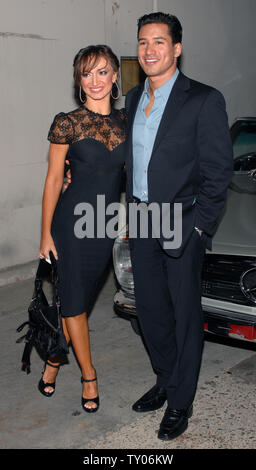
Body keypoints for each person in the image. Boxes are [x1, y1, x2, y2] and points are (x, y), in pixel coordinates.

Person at [124, 12, 233, 440]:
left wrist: (201, 229)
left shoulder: (203, 99)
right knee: (150, 311)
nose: (149, 51)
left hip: (182, 223)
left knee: (185, 316)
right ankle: (166, 380)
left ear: (176, 49)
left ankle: (182, 401)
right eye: (142, 42)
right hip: (141, 219)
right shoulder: (133, 99)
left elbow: (218, 170)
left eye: (158, 42)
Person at [39, 45, 126, 413]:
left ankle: (54, 360)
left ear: (115, 76)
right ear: (79, 79)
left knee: (77, 299)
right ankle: (88, 375)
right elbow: (54, 179)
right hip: (71, 225)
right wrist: (45, 234)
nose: (95, 81)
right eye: (87, 73)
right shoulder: (67, 123)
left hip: (104, 225)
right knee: (74, 302)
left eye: (102, 72)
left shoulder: (127, 121)